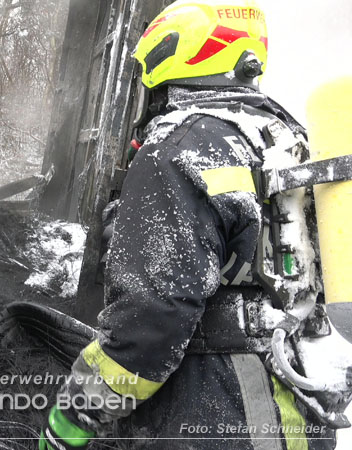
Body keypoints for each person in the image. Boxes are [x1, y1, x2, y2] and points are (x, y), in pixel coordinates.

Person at [40, 1, 347, 449]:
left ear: (171, 55)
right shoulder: (285, 139)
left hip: (218, 408)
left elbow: (150, 320)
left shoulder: (177, 148)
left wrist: (73, 418)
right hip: (298, 399)